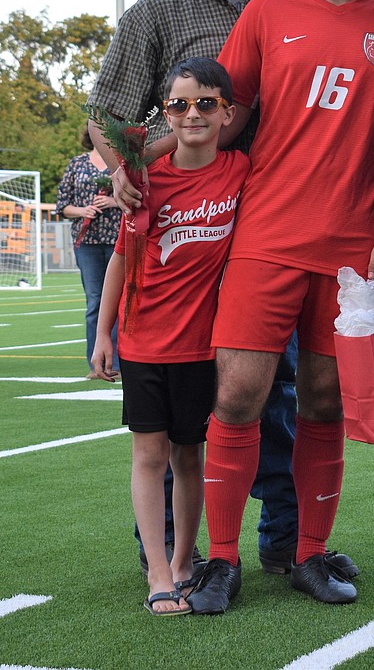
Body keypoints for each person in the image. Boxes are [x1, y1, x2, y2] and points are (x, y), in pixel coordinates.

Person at [182, 0, 374, 615]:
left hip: (354, 249)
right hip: (266, 237)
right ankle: (221, 560)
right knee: (239, 394)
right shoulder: (264, 16)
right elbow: (222, 121)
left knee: (323, 401)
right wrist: (135, 160)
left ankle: (310, 553)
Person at [86, 0, 305, 577]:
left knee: (274, 390)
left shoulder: (291, 7)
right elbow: (106, 113)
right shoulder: (156, 13)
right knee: (187, 402)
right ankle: (176, 555)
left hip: (270, 221)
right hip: (184, 232)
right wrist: (123, 165)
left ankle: (282, 541)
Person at [92, 57, 250, 617]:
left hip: (202, 348)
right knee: (148, 455)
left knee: (189, 457)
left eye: (206, 103)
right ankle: (157, 570)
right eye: (178, 104)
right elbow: (119, 262)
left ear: (228, 112)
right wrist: (102, 333)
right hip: (141, 341)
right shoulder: (142, 183)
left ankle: (185, 562)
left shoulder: (241, 171)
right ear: (165, 113)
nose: (192, 114)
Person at [56, 126, 122, 377]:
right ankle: (97, 363)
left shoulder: (122, 163)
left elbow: (139, 196)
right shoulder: (77, 164)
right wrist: (82, 211)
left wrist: (114, 201)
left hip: (119, 241)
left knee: (119, 301)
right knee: (95, 301)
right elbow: (62, 205)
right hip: (88, 242)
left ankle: (118, 362)